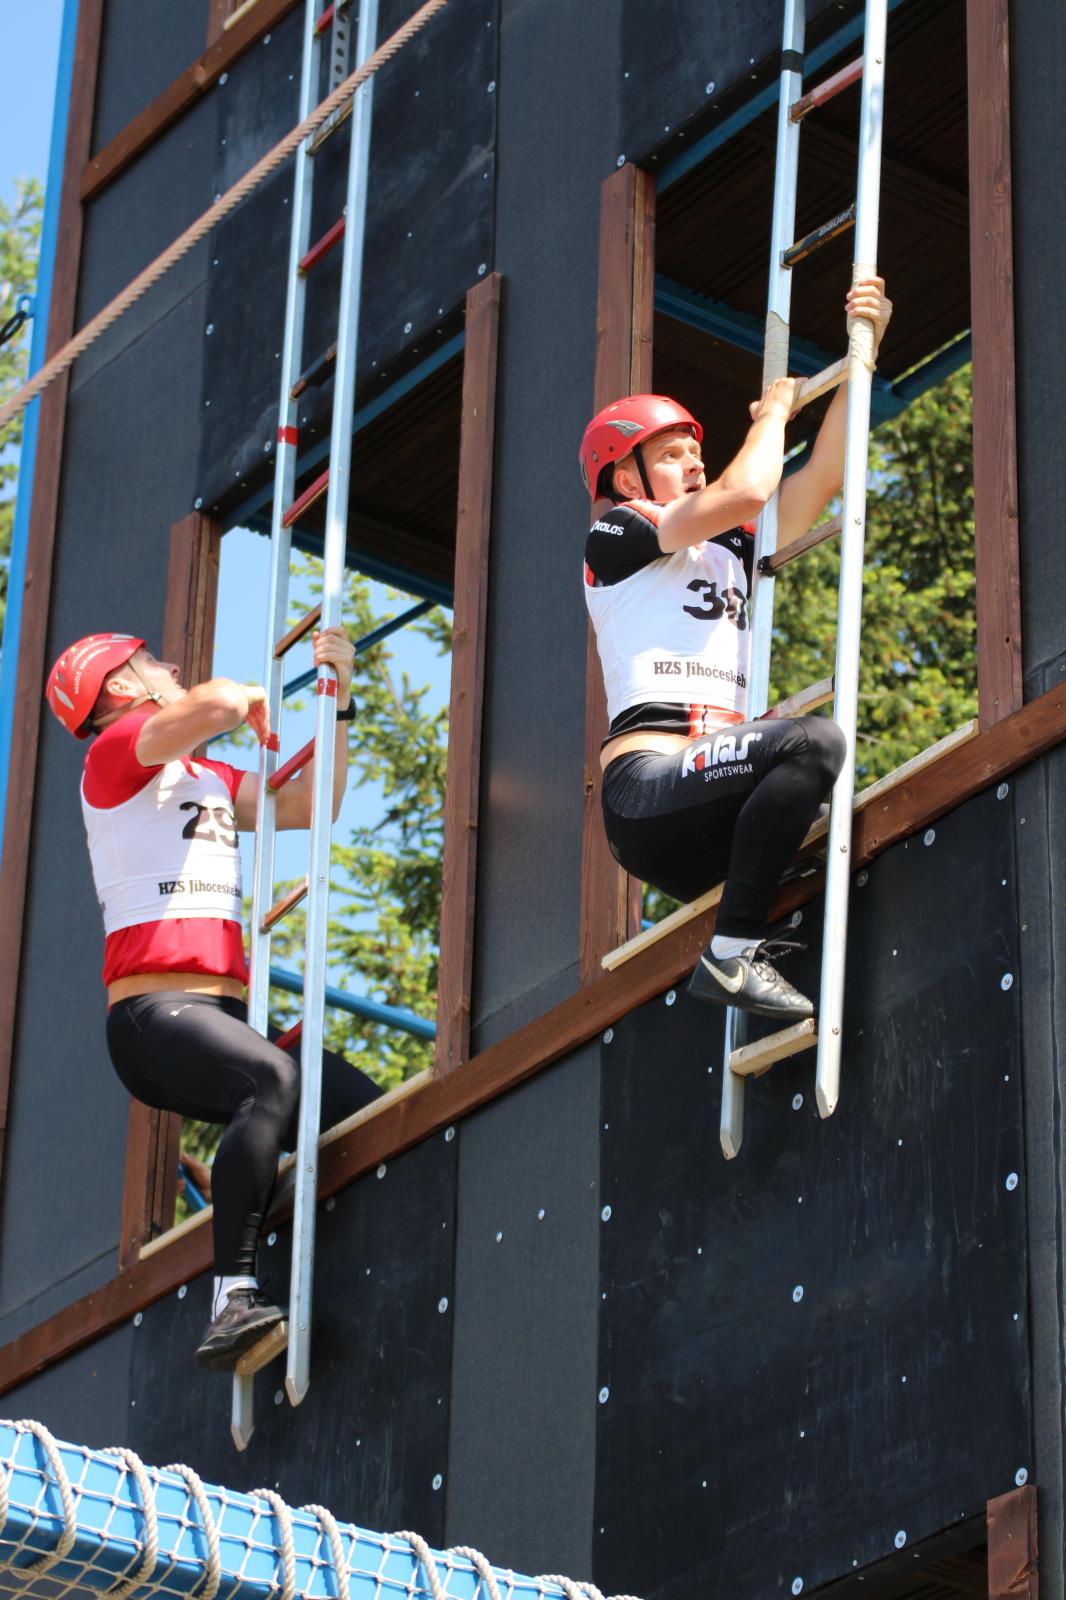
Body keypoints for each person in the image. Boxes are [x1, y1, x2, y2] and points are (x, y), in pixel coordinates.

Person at [45, 628, 382, 1370]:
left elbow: (309, 806)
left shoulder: (203, 777)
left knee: (357, 1103)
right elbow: (222, 702)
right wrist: (247, 697)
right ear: (120, 691)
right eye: (149, 662)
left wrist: (342, 701)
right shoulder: (113, 755)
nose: (169, 664)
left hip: (219, 1013)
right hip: (153, 1013)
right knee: (271, 1079)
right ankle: (232, 1297)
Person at [580, 277, 892, 1020]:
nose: (694, 464)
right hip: (649, 785)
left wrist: (864, 351)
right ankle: (728, 958)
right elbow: (747, 492)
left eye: (699, 452)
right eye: (674, 454)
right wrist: (775, 414)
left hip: (713, 789)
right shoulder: (616, 533)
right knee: (813, 743)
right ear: (626, 475)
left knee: (814, 797)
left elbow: (822, 474)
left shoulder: (732, 548)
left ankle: (743, 945)